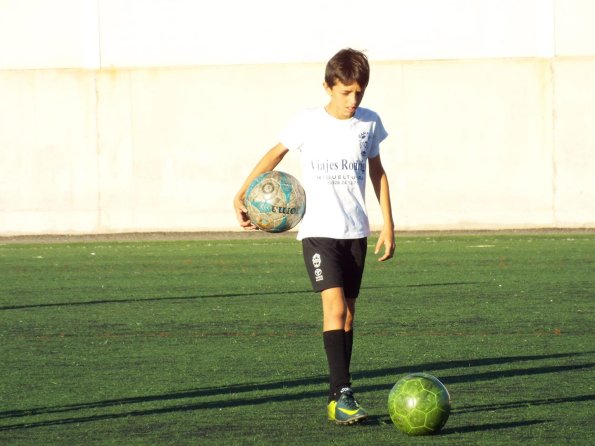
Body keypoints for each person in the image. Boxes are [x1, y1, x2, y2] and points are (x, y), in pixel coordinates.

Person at [233, 48, 395, 425]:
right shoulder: (307, 122)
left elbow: (378, 173)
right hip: (319, 233)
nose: (353, 100)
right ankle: (343, 394)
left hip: (355, 232)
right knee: (334, 308)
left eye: (359, 93)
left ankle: (337, 392)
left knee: (349, 317)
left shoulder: (369, 124)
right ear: (328, 87)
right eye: (346, 93)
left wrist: (388, 224)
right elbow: (273, 156)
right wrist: (242, 192)